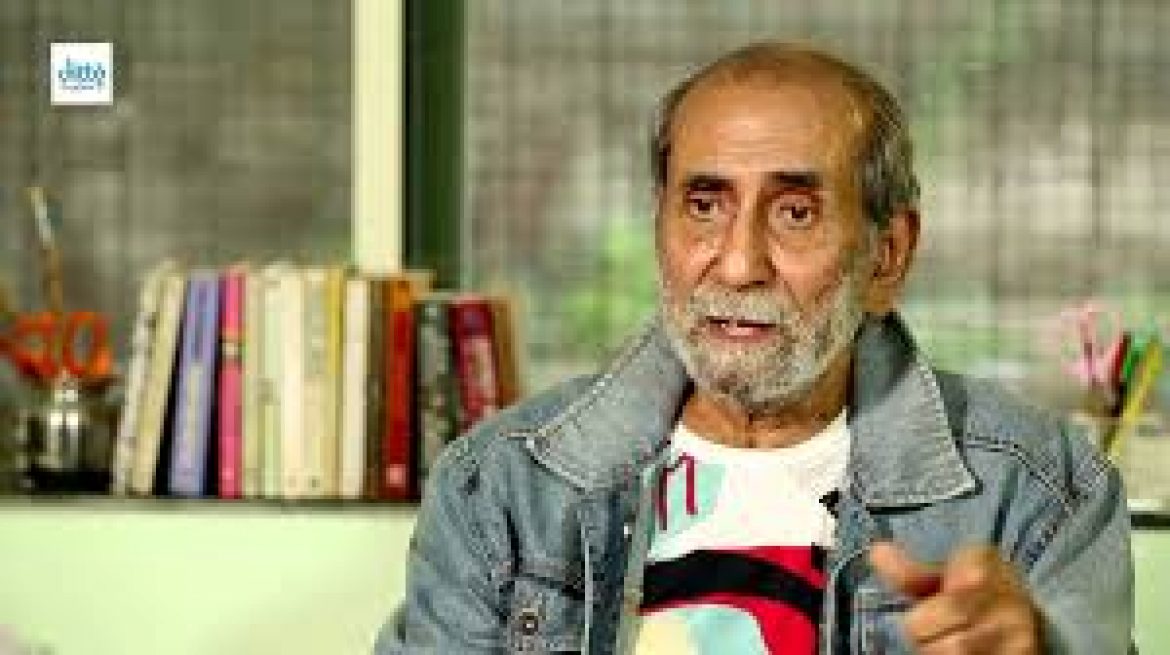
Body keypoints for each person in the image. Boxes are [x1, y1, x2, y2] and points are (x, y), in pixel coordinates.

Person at [376, 42, 1134, 654]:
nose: (739, 264)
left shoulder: (1039, 490)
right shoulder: (500, 486)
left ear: (887, 256)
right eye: (704, 205)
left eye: (796, 212)